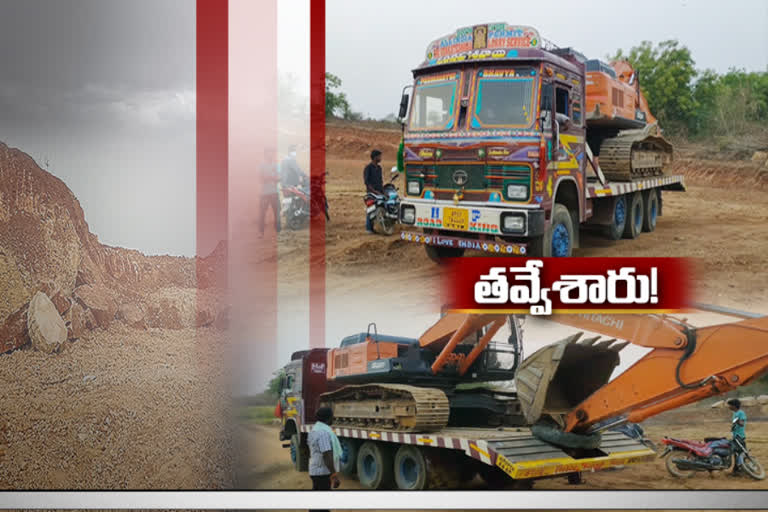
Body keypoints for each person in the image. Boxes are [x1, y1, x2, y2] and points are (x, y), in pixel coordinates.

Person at [308, 407, 342, 492]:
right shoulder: (323, 433)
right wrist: (334, 475)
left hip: (316, 471)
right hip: (321, 473)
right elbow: (327, 455)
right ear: (328, 417)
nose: (333, 418)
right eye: (332, 416)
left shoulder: (315, 429)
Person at [258, 147, 281, 236]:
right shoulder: (262, 165)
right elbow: (260, 178)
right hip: (264, 193)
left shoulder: (276, 165)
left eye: (272, 153)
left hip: (274, 192)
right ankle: (261, 232)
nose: (270, 155)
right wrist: (273, 177)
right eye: (268, 153)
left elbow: (279, 178)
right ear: (265, 155)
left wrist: (269, 177)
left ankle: (278, 231)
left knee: (277, 213)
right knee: (262, 214)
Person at [363, 149, 384, 233]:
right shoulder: (368, 168)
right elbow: (367, 182)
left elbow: (380, 180)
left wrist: (383, 191)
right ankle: (369, 228)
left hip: (379, 192)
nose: (380, 158)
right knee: (371, 210)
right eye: (379, 156)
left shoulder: (379, 168)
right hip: (371, 193)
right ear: (375, 157)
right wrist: (374, 191)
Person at [728, 398, 748, 476]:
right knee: (736, 453)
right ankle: (736, 470)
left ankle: (742, 469)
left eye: (730, 405)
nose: (729, 407)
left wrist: (737, 421)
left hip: (740, 436)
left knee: (741, 453)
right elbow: (735, 424)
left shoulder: (741, 413)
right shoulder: (735, 413)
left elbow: (742, 423)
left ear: (734, 406)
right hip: (735, 436)